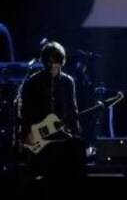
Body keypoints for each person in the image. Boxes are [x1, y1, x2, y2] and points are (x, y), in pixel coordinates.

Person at [16, 40, 88, 190]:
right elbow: (25, 112)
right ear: (43, 61)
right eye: (47, 61)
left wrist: (76, 133)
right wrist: (27, 133)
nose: (51, 65)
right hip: (38, 136)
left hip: (59, 135)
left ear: (62, 62)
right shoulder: (33, 82)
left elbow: (72, 110)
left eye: (55, 61)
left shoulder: (68, 82)